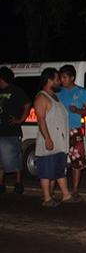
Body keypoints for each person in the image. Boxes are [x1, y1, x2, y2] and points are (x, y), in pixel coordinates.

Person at [33, 68, 79, 207]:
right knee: (46, 170)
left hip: (59, 142)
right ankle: (47, 198)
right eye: (57, 79)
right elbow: (41, 120)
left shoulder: (54, 97)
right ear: (49, 80)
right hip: (49, 141)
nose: (59, 82)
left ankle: (66, 195)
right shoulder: (41, 97)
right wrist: (47, 138)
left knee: (59, 170)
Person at [58, 64, 86, 197]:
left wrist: (77, 110)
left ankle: (75, 189)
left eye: (65, 77)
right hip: (60, 129)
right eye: (61, 77)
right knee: (58, 158)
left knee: (76, 161)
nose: (62, 80)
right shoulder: (58, 92)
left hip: (75, 129)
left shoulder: (81, 92)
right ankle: (58, 188)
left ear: (72, 77)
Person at [0, 66, 31, 195]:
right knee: (0, 159)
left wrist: (20, 120)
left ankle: (18, 184)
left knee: (14, 158)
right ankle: (0, 184)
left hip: (11, 131)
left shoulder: (16, 91)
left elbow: (27, 104)